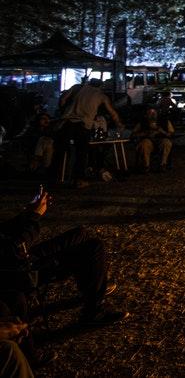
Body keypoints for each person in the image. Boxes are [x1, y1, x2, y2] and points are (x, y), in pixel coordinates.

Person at [0, 187, 127, 326]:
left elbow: (5, 231)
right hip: (18, 270)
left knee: (80, 233)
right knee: (93, 247)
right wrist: (34, 216)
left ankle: (94, 285)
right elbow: (14, 248)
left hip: (18, 259)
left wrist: (27, 213)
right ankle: (93, 310)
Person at [56, 79, 122, 187]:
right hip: (83, 124)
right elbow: (112, 113)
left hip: (65, 123)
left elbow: (63, 99)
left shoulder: (77, 87)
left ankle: (55, 176)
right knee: (81, 152)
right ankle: (79, 180)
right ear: (101, 86)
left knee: (60, 149)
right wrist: (119, 124)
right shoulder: (101, 96)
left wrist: (65, 111)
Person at [130, 108, 174, 173]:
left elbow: (171, 134)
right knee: (145, 143)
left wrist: (161, 131)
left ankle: (163, 164)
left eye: (154, 113)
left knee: (167, 142)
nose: (152, 115)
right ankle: (146, 165)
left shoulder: (165, 121)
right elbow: (133, 135)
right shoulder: (142, 123)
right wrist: (144, 133)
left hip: (160, 140)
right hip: (148, 141)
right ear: (146, 115)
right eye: (150, 113)